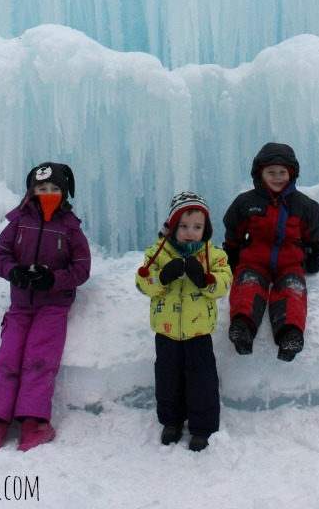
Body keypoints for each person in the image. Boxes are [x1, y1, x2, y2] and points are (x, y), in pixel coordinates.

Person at [0, 162, 91, 452]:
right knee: (8, 358)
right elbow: (1, 253)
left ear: (64, 194)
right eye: (42, 188)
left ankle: (32, 424)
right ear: (32, 190)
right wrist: (13, 271)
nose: (47, 193)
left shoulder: (69, 227)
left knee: (40, 360)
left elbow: (81, 268)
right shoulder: (18, 221)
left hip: (53, 306)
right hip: (20, 305)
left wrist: (53, 279)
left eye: (54, 189)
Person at [136, 191, 232, 452]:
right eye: (184, 226)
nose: (191, 232)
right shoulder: (157, 253)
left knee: (201, 379)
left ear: (206, 229)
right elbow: (143, 284)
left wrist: (205, 280)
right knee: (168, 378)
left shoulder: (214, 256)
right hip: (165, 332)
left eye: (197, 227)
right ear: (172, 226)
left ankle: (202, 426)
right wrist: (162, 278)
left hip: (199, 331)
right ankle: (171, 421)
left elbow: (224, 283)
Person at [222, 142, 319, 361]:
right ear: (260, 174)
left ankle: (290, 333)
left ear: (292, 174)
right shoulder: (246, 202)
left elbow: (312, 234)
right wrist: (230, 253)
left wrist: (315, 254)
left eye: (282, 172)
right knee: (247, 284)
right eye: (271, 172)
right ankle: (243, 327)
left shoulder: (304, 205)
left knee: (293, 290)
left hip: (290, 261)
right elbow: (235, 230)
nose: (277, 177)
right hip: (254, 259)